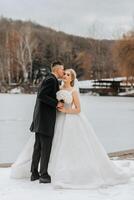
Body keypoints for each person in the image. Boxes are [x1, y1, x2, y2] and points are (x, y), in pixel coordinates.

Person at [11, 68, 133, 189]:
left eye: (68, 75)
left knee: (68, 145)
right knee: (53, 145)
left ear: (72, 78)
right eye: (64, 74)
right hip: (57, 119)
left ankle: (68, 171)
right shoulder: (58, 88)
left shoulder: (73, 91)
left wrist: (66, 110)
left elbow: (78, 109)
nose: (65, 76)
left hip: (69, 119)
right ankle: (45, 171)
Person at [29, 61, 64, 183]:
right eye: (62, 69)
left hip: (40, 119)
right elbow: (42, 95)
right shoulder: (51, 80)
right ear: (57, 69)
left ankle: (34, 173)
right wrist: (57, 103)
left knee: (38, 147)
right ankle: (43, 174)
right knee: (45, 147)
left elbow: (42, 95)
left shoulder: (48, 78)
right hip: (45, 120)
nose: (63, 72)